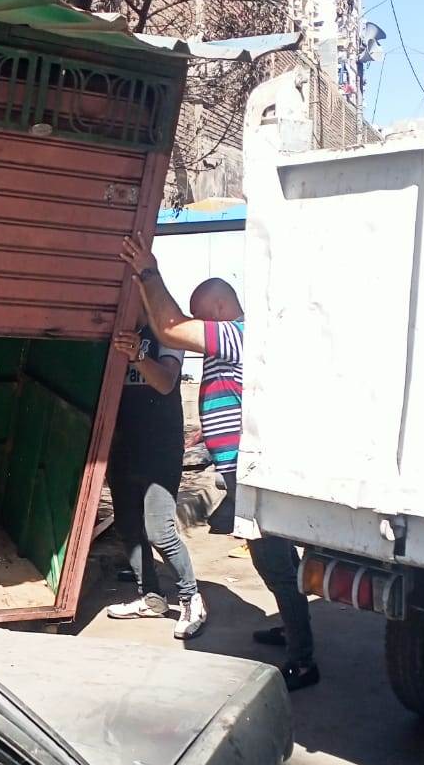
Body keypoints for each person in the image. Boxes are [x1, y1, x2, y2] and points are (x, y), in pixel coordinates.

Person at [120, 233, 319, 691]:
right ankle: (293, 628)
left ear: (219, 309)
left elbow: (170, 328)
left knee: (273, 561)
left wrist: (148, 272)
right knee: (274, 560)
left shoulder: (235, 335)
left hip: (250, 471)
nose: (198, 326)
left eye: (201, 316)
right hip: (241, 468)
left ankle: (304, 660)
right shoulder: (238, 338)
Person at [106, 322, 208, 639]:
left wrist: (137, 355)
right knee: (127, 526)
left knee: (159, 531)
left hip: (159, 447)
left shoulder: (167, 333)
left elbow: (165, 382)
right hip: (122, 444)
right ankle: (151, 597)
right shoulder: (116, 326)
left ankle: (191, 599)